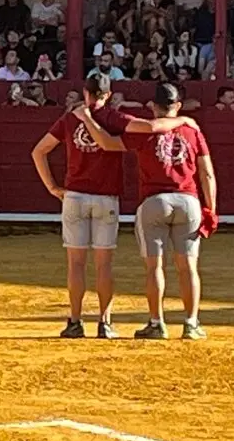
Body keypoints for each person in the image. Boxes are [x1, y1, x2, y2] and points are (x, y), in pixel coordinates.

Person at [30, 74, 201, 339]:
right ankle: (105, 322)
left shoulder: (69, 119)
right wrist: (182, 119)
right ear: (108, 95)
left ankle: (75, 322)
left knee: (76, 264)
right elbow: (150, 127)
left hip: (75, 196)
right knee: (104, 265)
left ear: (85, 92)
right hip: (106, 198)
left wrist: (53, 188)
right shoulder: (114, 118)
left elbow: (38, 151)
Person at [74, 82, 217, 340]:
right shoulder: (193, 131)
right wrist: (211, 209)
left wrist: (88, 120)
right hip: (188, 202)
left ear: (153, 106)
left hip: (154, 202)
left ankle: (156, 323)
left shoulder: (143, 131)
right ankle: (191, 323)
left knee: (154, 267)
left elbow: (106, 143)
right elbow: (207, 173)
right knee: (188, 267)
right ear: (178, 106)